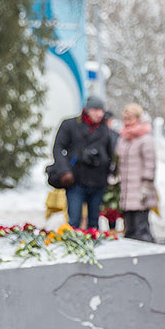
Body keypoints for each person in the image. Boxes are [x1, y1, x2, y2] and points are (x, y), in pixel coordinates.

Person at [52, 96, 116, 230]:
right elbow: (58, 148)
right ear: (87, 110)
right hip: (76, 180)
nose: (100, 114)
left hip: (98, 181)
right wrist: (65, 171)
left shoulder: (105, 129)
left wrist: (109, 172)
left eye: (102, 110)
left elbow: (111, 153)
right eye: (96, 110)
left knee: (94, 223)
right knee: (74, 220)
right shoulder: (70, 125)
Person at [115, 103, 157, 242]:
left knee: (141, 229)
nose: (127, 122)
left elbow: (150, 164)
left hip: (140, 191)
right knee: (129, 230)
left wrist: (146, 185)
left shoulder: (145, 139)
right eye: (125, 119)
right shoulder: (123, 139)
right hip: (127, 190)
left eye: (130, 119)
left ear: (138, 118)